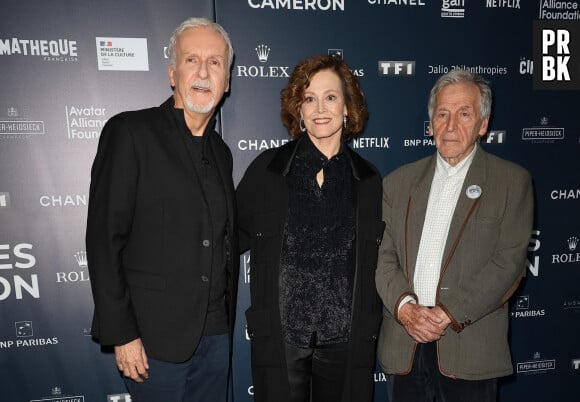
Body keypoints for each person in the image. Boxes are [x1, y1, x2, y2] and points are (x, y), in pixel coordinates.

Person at [86, 17, 238, 402]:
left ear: (228, 80)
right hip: (152, 341)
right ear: (173, 74)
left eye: (216, 62)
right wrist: (122, 334)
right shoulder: (130, 132)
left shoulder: (222, 153)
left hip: (216, 336)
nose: (204, 71)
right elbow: (104, 241)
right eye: (192, 60)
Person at [375, 69, 534, 402]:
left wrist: (447, 312)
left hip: (470, 349)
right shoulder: (396, 183)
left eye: (464, 114)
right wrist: (406, 309)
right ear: (430, 123)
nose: (450, 126)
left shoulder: (511, 182)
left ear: (483, 124)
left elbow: (508, 263)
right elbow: (382, 256)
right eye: (442, 114)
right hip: (405, 345)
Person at [236, 54, 385, 402]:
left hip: (345, 342)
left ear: (347, 107)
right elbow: (228, 239)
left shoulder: (367, 180)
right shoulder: (268, 170)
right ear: (298, 110)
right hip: (282, 340)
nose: (320, 108)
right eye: (309, 98)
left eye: (331, 97)